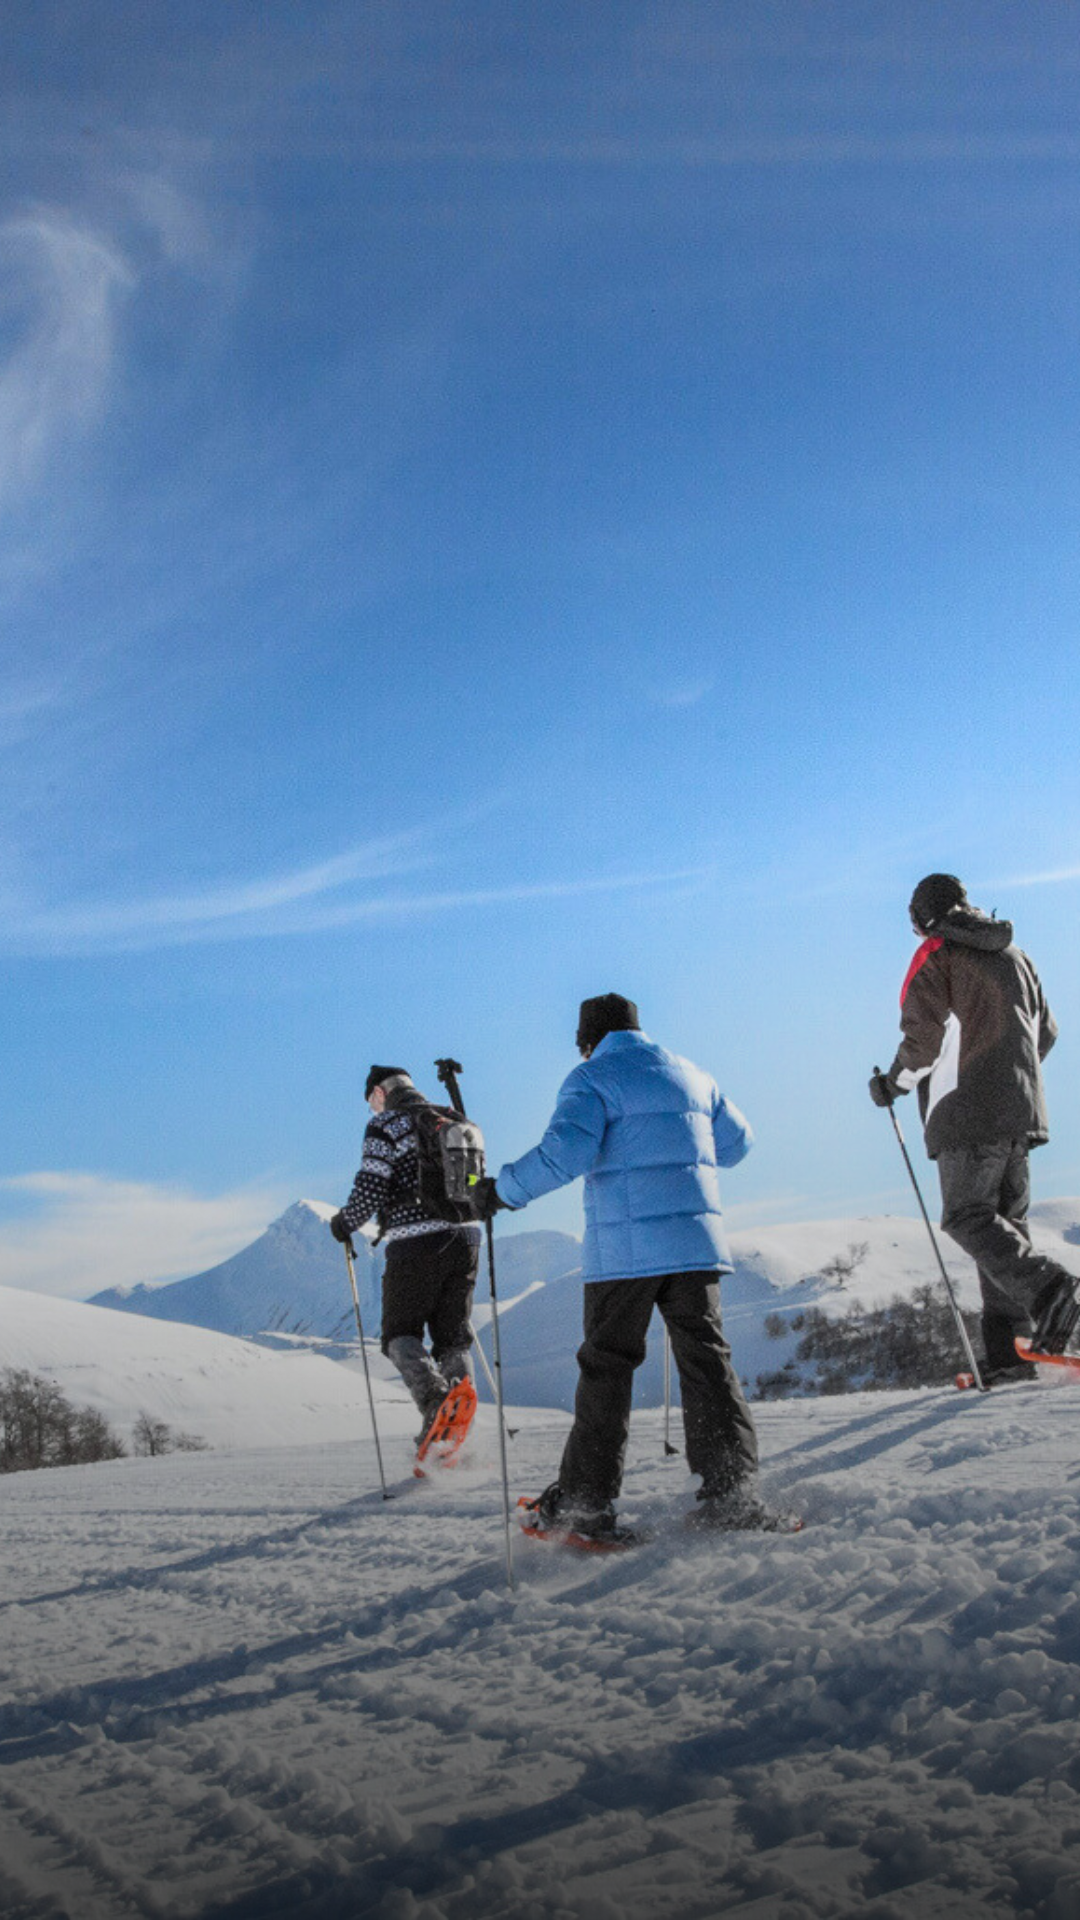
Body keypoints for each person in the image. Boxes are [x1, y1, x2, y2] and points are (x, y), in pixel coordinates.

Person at [472, 993, 787, 1540]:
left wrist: (502, 1191)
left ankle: (587, 1506)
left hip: (624, 1255)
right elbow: (738, 1145)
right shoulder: (692, 1074)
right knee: (708, 1362)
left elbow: (563, 1154)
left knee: (607, 1368)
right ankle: (732, 1494)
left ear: (587, 1041)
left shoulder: (591, 1078)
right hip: (694, 1247)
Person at [869, 873, 1080, 1374]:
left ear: (922, 918)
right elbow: (1045, 1032)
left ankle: (1052, 1289)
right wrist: (1011, 1076)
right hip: (1021, 1111)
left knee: (967, 1217)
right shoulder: (1014, 954)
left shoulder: (938, 954)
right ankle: (1013, 1354)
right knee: (1005, 1229)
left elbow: (923, 1041)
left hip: (966, 1114)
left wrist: (892, 1084)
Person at [329, 1066, 480, 1436]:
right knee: (453, 1337)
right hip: (466, 1239)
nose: (372, 1111)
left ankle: (435, 1406)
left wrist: (344, 1223)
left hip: (415, 1241)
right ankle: (459, 1413)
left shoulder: (387, 1124)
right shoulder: (451, 1117)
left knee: (399, 1334)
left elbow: (371, 1186)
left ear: (380, 1093)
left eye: (371, 1102)